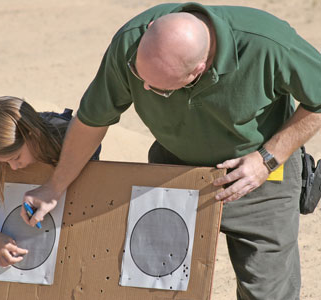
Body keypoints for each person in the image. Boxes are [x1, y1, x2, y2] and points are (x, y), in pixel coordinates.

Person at [21, 3, 321, 300]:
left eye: (162, 88)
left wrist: (267, 158)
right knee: (156, 283)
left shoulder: (267, 43)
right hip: (174, 173)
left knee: (267, 292)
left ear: (198, 71)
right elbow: (91, 121)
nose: (147, 89)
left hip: (257, 175)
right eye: (141, 78)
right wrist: (54, 186)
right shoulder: (130, 42)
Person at [0, 96, 101, 267]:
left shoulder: (65, 136)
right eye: (4, 162)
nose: (13, 167)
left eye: (16, 157)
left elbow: (93, 150)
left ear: (32, 135)